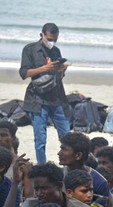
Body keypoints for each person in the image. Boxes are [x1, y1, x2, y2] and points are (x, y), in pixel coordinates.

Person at [19, 23, 70, 165]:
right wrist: (44, 68)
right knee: (40, 138)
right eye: (49, 39)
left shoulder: (56, 50)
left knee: (67, 137)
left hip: (57, 97)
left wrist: (61, 70)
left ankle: (69, 165)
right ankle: (42, 167)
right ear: (41, 35)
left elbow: (58, 77)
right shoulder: (29, 49)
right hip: (37, 99)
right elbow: (24, 73)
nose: (51, 42)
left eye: (54, 39)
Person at [58, 131, 110, 203]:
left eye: (64, 149)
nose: (59, 153)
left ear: (78, 155)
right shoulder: (57, 176)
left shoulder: (99, 182)